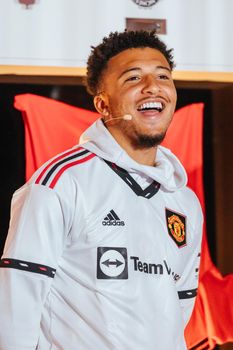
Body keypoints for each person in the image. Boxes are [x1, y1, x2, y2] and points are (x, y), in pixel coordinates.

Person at [0, 30, 203, 350]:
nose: (153, 86)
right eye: (133, 78)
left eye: (163, 75)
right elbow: (16, 308)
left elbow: (179, 307)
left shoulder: (184, 201)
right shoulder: (59, 183)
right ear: (103, 105)